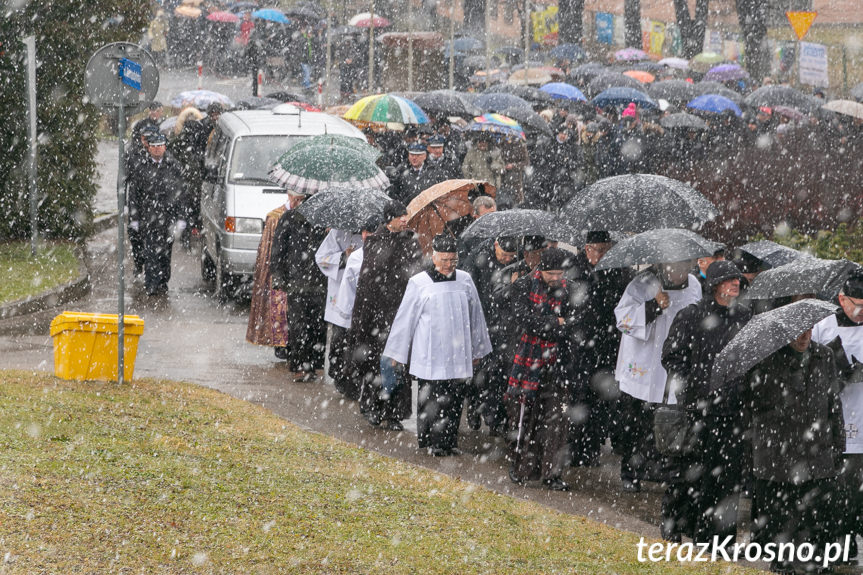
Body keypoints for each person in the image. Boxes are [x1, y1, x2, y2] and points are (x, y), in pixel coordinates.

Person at [660, 261, 751, 543]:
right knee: (689, 472)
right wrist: (690, 392)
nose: (736, 284)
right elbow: (671, 357)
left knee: (726, 476)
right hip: (697, 408)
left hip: (732, 409)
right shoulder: (691, 315)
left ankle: (717, 538)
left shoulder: (744, 317)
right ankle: (676, 525)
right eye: (729, 280)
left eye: (738, 280)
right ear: (714, 285)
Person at [746, 328, 844, 574]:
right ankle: (782, 558)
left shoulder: (825, 355)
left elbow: (833, 402)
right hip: (778, 449)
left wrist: (838, 442)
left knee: (817, 510)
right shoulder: (767, 359)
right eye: (798, 332)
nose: (804, 337)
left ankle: (817, 557)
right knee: (780, 511)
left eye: (808, 331)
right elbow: (754, 402)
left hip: (817, 448)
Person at [384, 233, 492, 456]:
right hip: (430, 352)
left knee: (454, 398)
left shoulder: (464, 279)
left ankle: (449, 440)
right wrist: (397, 351)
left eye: (453, 260)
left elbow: (476, 315)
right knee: (432, 398)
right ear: (433, 257)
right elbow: (405, 319)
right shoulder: (419, 283)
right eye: (444, 260)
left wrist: (478, 347)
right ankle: (432, 440)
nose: (448, 265)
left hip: (459, 351)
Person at [613, 259, 702, 492]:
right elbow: (622, 319)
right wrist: (653, 306)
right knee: (637, 422)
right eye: (675, 266)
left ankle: (661, 470)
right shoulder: (643, 283)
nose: (680, 272)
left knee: (668, 421)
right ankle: (631, 471)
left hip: (673, 362)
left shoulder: (694, 285)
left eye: (685, 267)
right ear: (665, 263)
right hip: (644, 362)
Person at [347, 201, 423, 429]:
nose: (404, 219)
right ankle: (373, 406)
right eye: (400, 216)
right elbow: (368, 280)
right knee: (374, 362)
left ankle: (394, 413)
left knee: (397, 363)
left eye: (405, 215)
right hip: (376, 312)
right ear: (389, 218)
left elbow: (415, 273)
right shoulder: (375, 241)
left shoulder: (411, 242)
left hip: (401, 311)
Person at [505, 247, 574, 491]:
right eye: (552, 274)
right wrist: (556, 322)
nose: (557, 278)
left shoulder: (570, 288)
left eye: (560, 273)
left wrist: (552, 325)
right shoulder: (523, 286)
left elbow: (575, 323)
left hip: (558, 364)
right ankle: (521, 466)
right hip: (528, 361)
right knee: (524, 418)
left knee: (558, 421)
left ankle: (552, 472)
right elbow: (525, 320)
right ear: (541, 270)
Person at [565, 231, 632, 468]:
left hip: (607, 343)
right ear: (585, 248)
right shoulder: (574, 269)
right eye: (595, 249)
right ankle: (575, 448)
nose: (598, 255)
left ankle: (591, 448)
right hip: (580, 345)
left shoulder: (617, 270)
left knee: (602, 401)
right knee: (579, 396)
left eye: (603, 250)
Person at [813, 271, 863, 556]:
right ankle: (834, 542)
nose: (861, 312)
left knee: (856, 491)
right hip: (832, 420)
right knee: (835, 488)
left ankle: (849, 542)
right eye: (858, 305)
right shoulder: (823, 326)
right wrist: (838, 371)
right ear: (842, 299)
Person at [270, 189, 329, 380]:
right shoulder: (289, 218)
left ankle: (313, 364)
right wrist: (278, 276)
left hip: (319, 282)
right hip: (297, 281)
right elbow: (278, 249)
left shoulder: (324, 220)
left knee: (317, 325)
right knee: (299, 325)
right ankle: (300, 365)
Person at [465, 236, 519, 435]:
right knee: (480, 372)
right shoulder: (478, 259)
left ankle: (496, 418)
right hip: (482, 320)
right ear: (496, 245)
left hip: (504, 325)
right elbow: (471, 289)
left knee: (498, 373)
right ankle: (473, 405)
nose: (507, 259)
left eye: (511, 256)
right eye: (504, 255)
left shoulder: (515, 263)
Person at [126, 131, 185, 296]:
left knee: (166, 253)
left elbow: (181, 193)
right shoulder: (141, 167)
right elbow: (134, 195)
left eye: (160, 146)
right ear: (149, 148)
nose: (157, 149)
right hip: (148, 217)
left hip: (168, 217)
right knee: (150, 252)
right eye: (154, 146)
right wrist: (134, 218)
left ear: (165, 147)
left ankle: (163, 282)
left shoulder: (174, 166)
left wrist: (181, 218)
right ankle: (151, 284)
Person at [331, 217, 381, 400]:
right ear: (364, 234)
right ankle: (352, 385)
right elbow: (347, 288)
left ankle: (367, 389)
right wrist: (345, 314)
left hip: (376, 312)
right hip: (358, 312)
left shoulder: (384, 255)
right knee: (354, 351)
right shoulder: (357, 257)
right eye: (368, 233)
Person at [315, 228, 363, 390]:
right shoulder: (337, 233)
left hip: (359, 290)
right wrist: (344, 257)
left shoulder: (370, 234)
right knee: (339, 335)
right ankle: (337, 370)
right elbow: (321, 257)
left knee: (356, 339)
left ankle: (352, 376)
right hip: (339, 289)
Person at [246, 202, 290, 357]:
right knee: (279, 306)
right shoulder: (275, 217)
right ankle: (281, 344)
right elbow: (268, 249)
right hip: (280, 269)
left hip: (296, 270)